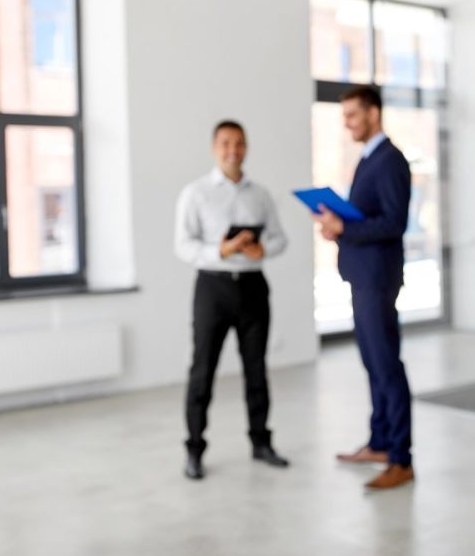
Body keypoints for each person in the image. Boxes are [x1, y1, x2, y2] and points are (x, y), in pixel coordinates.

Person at [175, 120, 290, 480]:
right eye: (226, 143)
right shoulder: (195, 193)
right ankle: (194, 448)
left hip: (254, 288)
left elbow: (280, 239)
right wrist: (220, 250)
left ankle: (261, 442)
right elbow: (183, 245)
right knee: (202, 370)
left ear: (246, 147)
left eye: (239, 143)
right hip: (213, 288)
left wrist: (261, 249)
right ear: (214, 148)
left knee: (256, 370)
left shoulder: (261, 195)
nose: (233, 150)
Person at [314, 85, 415, 490]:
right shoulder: (368, 157)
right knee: (373, 363)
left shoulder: (390, 160)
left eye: (353, 116)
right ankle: (380, 442)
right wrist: (339, 229)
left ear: (374, 113)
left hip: (377, 278)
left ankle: (401, 458)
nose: (347, 124)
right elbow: (367, 218)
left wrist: (345, 227)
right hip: (363, 275)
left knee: (387, 366)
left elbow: (394, 223)